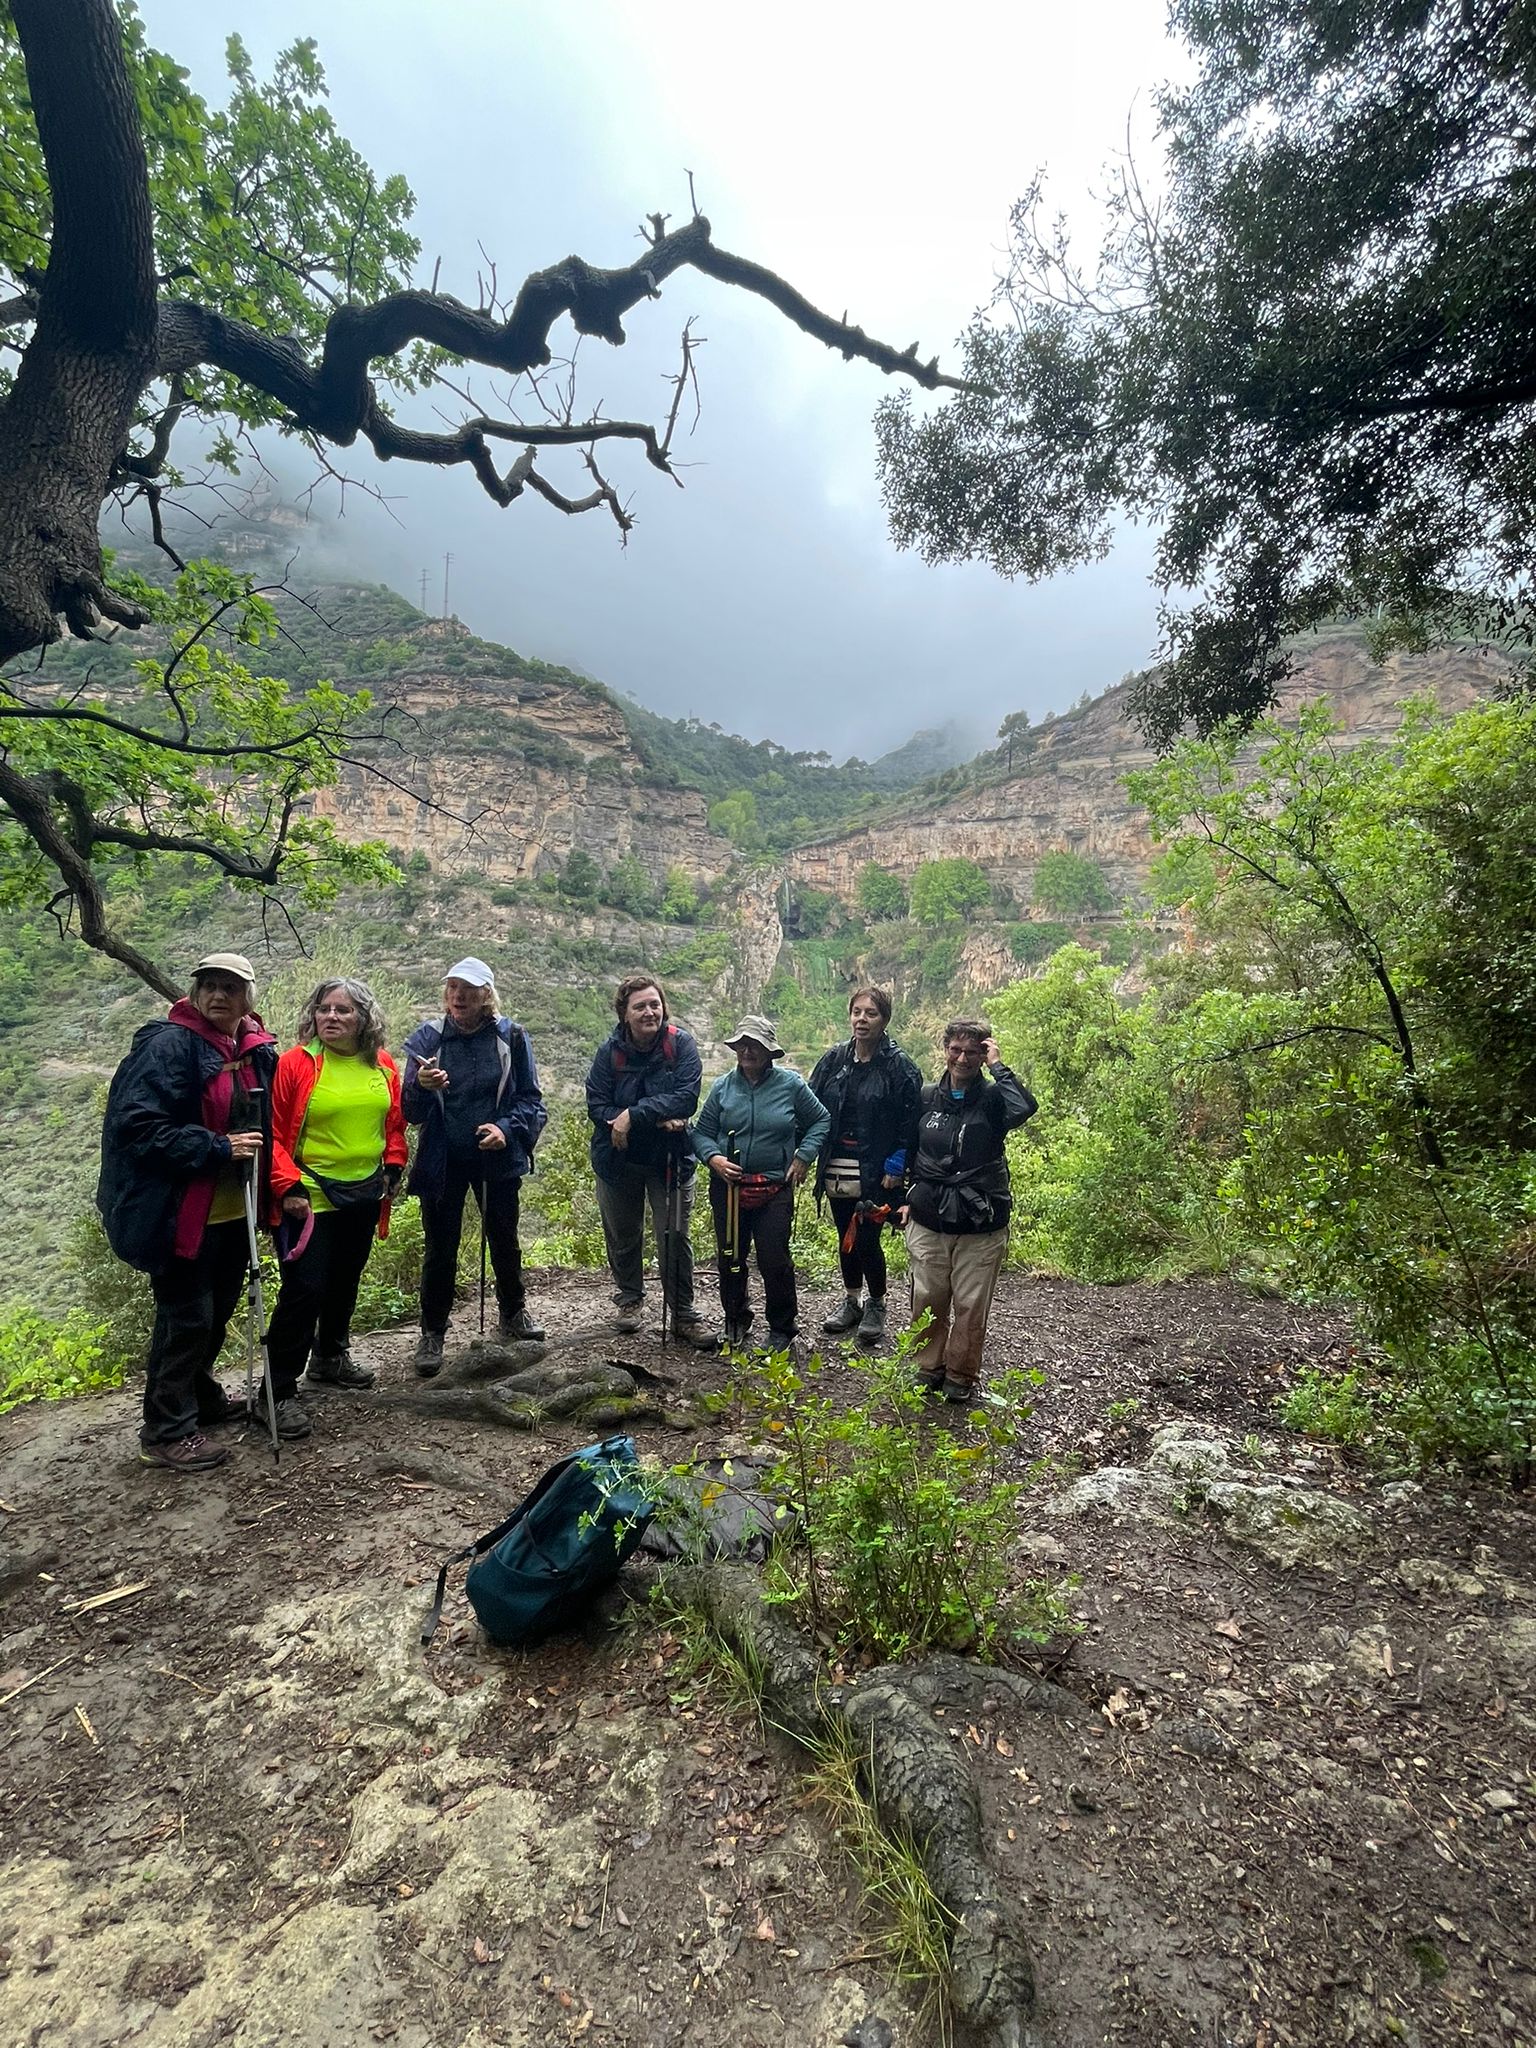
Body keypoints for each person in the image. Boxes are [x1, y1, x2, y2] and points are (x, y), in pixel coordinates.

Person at [96, 952, 279, 1473]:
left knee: (215, 1313)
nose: (219, 995)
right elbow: (136, 1128)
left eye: (230, 987)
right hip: (178, 1213)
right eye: (209, 986)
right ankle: (165, 1431)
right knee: (186, 1319)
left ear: (248, 998)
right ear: (195, 994)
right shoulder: (168, 1046)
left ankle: (198, 1398)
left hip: (232, 1210)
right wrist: (217, 1147)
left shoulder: (255, 1050)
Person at [262, 978, 410, 1435]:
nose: (331, 1016)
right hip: (308, 1197)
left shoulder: (382, 1064)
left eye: (343, 1010)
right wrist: (287, 1186)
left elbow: (394, 1124)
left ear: (363, 1018)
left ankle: (329, 1357)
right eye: (324, 1008)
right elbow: (274, 1133)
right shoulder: (297, 1063)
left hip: (364, 1192)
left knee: (345, 1279)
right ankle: (276, 1391)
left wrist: (393, 1164)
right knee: (304, 1289)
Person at [402, 957, 547, 1375]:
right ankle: (432, 1331)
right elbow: (410, 1111)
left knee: (504, 1238)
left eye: (468, 989)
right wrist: (421, 1086)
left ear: (486, 995)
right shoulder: (427, 1039)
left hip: (494, 1155)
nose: (458, 996)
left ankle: (513, 1312)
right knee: (440, 1247)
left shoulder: (511, 1036)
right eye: (453, 988)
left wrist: (506, 1129)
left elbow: (531, 1100)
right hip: (442, 1157)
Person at [897, 1018, 1037, 1403]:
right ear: (945, 1050)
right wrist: (904, 1198)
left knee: (971, 1304)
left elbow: (1024, 1108)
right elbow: (908, 1148)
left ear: (982, 1055)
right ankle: (927, 1365)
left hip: (981, 1219)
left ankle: (960, 1372)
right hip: (929, 1216)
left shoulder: (994, 1099)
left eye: (972, 1052)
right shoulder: (927, 1097)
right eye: (956, 1050)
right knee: (927, 1296)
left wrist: (998, 1066)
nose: (962, 1059)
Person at [585, 974, 714, 1344]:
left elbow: (686, 1097)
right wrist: (636, 1118)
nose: (649, 1012)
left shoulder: (680, 1045)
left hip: (669, 1157)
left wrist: (632, 1115)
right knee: (623, 1234)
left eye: (654, 1004)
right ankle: (629, 1300)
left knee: (673, 1235)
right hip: (618, 1158)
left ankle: (683, 1314)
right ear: (624, 1013)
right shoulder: (609, 1053)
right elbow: (596, 1103)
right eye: (639, 1006)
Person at [692, 1014, 830, 1351]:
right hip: (728, 1187)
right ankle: (735, 1319)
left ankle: (782, 1327)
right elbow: (701, 1133)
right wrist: (714, 1158)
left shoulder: (791, 1085)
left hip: (774, 1186)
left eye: (754, 1045)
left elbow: (821, 1120)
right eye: (742, 1045)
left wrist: (802, 1157)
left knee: (774, 1259)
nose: (747, 1051)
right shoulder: (723, 1087)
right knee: (730, 1256)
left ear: (769, 1051)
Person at [809, 987, 922, 1346]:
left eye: (871, 1013)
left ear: (884, 1020)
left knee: (868, 1238)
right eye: (857, 1012)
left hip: (876, 1169)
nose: (862, 1019)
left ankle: (876, 1303)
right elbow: (810, 1104)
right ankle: (851, 1300)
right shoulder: (835, 1059)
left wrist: (898, 1163)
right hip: (837, 1164)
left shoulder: (899, 1066)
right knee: (845, 1235)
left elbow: (911, 1121)